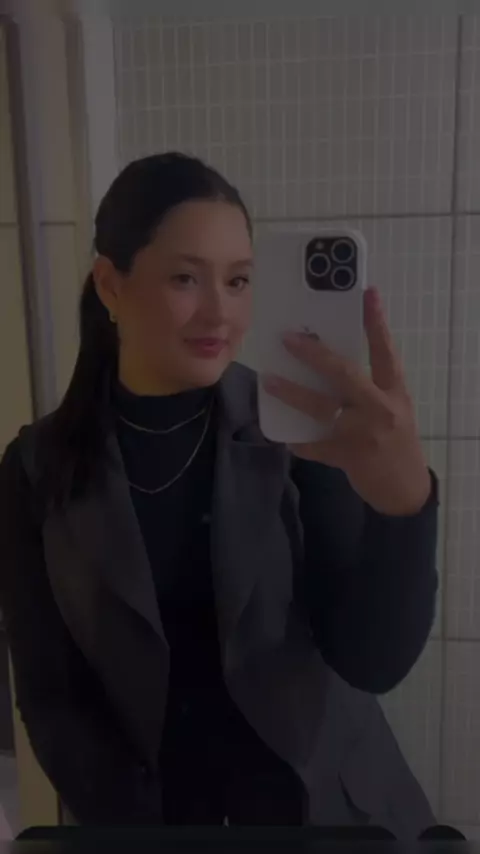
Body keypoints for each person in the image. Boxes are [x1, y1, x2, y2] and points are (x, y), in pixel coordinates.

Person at [0, 153, 439, 837]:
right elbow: (52, 697)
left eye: (238, 281)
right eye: (185, 278)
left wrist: (404, 506)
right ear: (111, 284)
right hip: (154, 829)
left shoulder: (298, 433)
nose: (220, 312)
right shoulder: (38, 467)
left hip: (329, 820)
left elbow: (372, 660)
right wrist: (143, 836)